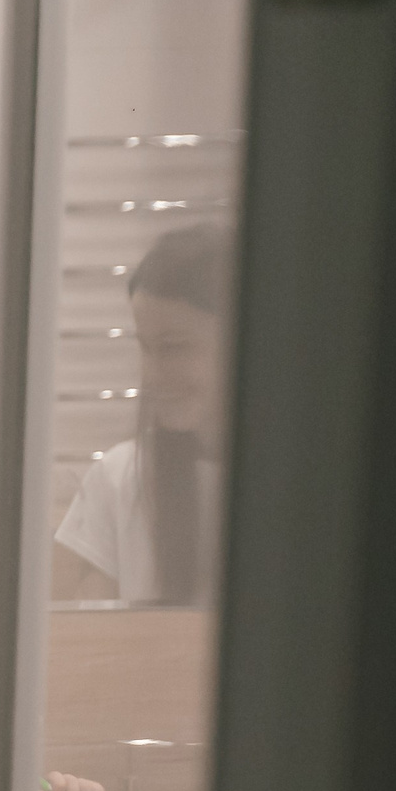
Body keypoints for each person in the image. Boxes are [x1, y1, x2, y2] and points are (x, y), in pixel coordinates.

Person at [54, 224, 233, 604]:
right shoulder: (117, 480)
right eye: (146, 347)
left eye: (174, 348)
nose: (151, 375)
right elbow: (99, 650)